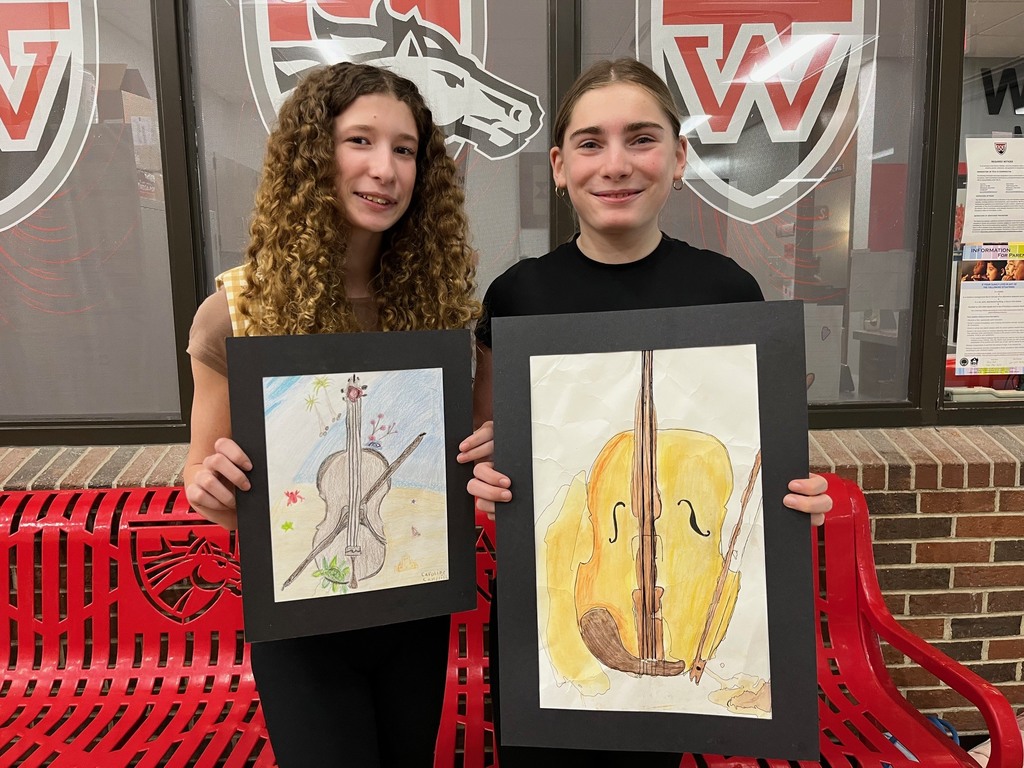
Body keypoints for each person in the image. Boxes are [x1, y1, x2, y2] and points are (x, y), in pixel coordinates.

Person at [457, 58, 832, 767]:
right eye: (591, 143)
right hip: (550, 610)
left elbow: (751, 455)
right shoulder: (517, 297)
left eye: (642, 138)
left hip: (683, 601)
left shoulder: (726, 290)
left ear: (680, 158)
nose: (617, 164)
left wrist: (790, 502)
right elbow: (493, 450)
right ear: (560, 165)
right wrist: (488, 487)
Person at [184, 63, 479, 766]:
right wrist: (212, 488)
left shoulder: (435, 307)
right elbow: (204, 480)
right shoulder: (236, 313)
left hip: (414, 605)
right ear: (313, 154)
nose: (385, 169)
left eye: (404, 149)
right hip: (301, 614)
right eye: (360, 142)